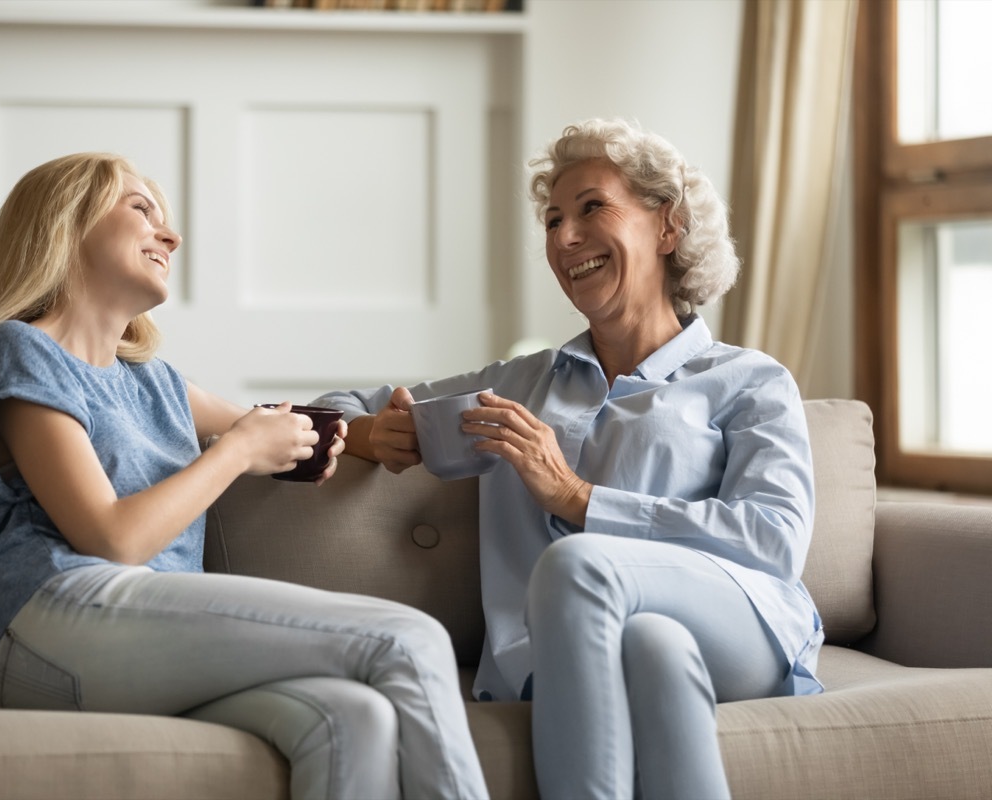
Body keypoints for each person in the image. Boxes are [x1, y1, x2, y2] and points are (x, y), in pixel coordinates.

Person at [0, 152, 490, 800]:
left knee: (350, 717)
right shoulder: (19, 349)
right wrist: (234, 452)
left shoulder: (157, 383)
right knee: (410, 640)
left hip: (139, 643)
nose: (170, 235)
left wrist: (370, 433)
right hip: (53, 624)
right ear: (66, 224)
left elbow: (280, 425)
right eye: (141, 209)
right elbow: (111, 538)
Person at [313, 118, 824, 800]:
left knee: (579, 564)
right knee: (656, 650)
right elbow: (328, 406)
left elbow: (774, 539)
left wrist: (580, 500)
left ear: (667, 227)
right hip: (567, 654)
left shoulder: (749, 381)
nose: (563, 237)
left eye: (591, 208)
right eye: (552, 221)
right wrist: (373, 432)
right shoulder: (520, 386)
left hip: (745, 624)